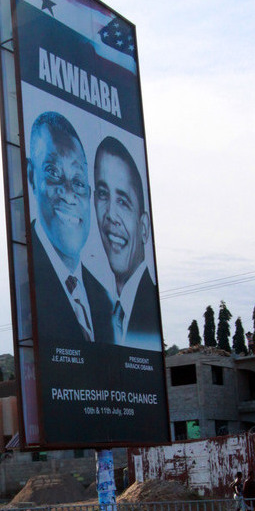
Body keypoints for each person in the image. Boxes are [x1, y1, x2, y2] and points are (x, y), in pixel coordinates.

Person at [27, 112, 113, 344]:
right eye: (53, 173)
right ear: (32, 177)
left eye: (77, 182)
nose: (69, 194)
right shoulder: (26, 277)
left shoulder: (105, 301)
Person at [94, 136, 161, 351]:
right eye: (103, 195)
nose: (111, 215)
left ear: (143, 227)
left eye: (123, 201)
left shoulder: (149, 317)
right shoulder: (97, 314)